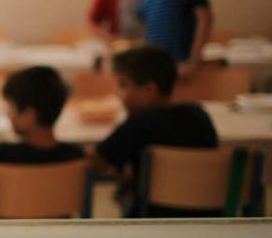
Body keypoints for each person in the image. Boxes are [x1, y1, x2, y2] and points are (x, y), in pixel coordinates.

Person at [90, 46, 219, 218]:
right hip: (208, 218)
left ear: (150, 89)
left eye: (123, 85)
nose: (119, 94)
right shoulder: (200, 116)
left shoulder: (138, 124)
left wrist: (121, 174)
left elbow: (97, 160)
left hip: (152, 220)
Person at [0, 66, 84, 190]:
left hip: (9, 217)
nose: (9, 116)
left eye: (11, 109)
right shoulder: (75, 156)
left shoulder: (0, 156)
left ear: (29, 114)